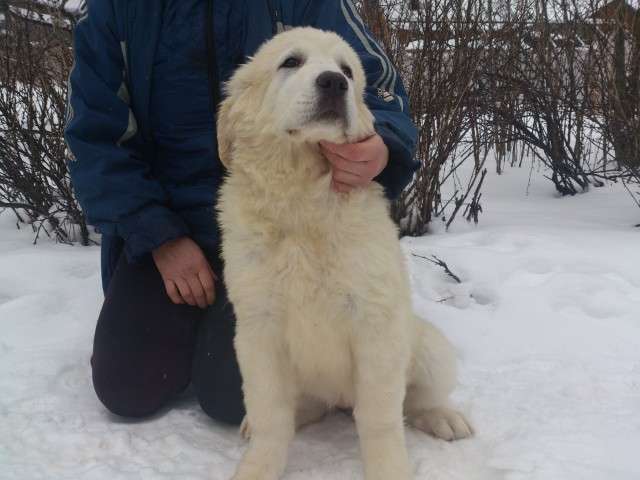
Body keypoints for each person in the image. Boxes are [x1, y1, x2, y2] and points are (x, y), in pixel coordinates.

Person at [64, 0, 418, 425]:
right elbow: (94, 139)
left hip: (285, 238)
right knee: (127, 386)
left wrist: (382, 146)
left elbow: (378, 91)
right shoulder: (116, 11)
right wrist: (159, 237)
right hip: (172, 235)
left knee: (235, 398)